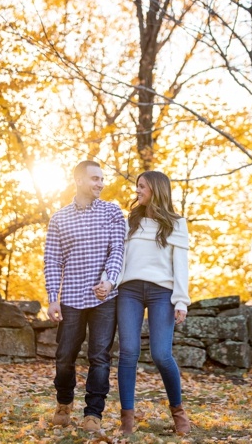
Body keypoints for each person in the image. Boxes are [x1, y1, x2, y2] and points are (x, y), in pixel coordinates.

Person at [95, 170, 191, 435]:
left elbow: (180, 266)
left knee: (161, 354)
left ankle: (179, 413)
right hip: (130, 291)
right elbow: (116, 256)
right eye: (137, 186)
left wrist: (181, 300)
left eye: (142, 187)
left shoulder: (177, 224)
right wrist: (108, 281)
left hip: (162, 293)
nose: (137, 191)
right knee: (128, 353)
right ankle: (127, 421)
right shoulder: (130, 222)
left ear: (156, 190)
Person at [44, 160, 126, 433]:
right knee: (65, 356)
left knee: (100, 357)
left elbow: (117, 251)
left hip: (104, 298)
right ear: (79, 180)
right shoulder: (59, 218)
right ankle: (64, 403)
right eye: (94, 178)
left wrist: (109, 280)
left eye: (102, 179)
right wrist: (52, 297)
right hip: (71, 299)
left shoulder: (112, 212)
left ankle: (93, 414)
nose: (100, 183)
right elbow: (52, 261)